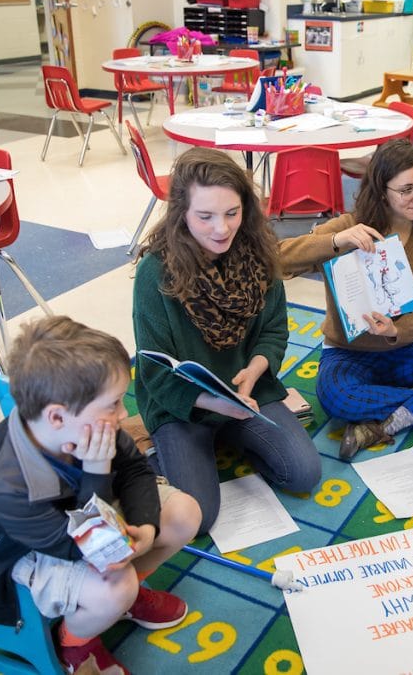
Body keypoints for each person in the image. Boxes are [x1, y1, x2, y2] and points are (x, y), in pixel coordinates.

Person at [0, 316, 202, 673]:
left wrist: (146, 525)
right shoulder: (6, 485)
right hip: (13, 558)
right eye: (113, 403)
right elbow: (82, 548)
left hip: (75, 519)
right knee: (116, 586)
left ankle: (124, 601)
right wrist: (97, 471)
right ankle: (74, 641)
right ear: (56, 417)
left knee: (184, 515)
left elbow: (134, 469)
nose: (124, 412)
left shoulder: (87, 424)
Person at [133, 147, 321, 535]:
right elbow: (154, 371)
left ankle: (224, 439)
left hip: (249, 394)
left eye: (232, 213)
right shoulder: (156, 272)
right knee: (198, 517)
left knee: (304, 474)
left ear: (245, 209)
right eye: (205, 217)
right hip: (185, 406)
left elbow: (274, 330)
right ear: (182, 214)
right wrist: (211, 402)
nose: (221, 228)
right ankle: (166, 453)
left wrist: (254, 371)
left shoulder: (259, 252)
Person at [280, 139, 413, 459]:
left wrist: (395, 331)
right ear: (382, 190)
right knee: (334, 397)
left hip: (401, 351)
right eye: (406, 189)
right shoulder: (347, 228)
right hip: (347, 354)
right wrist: (335, 241)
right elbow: (278, 260)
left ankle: (387, 422)